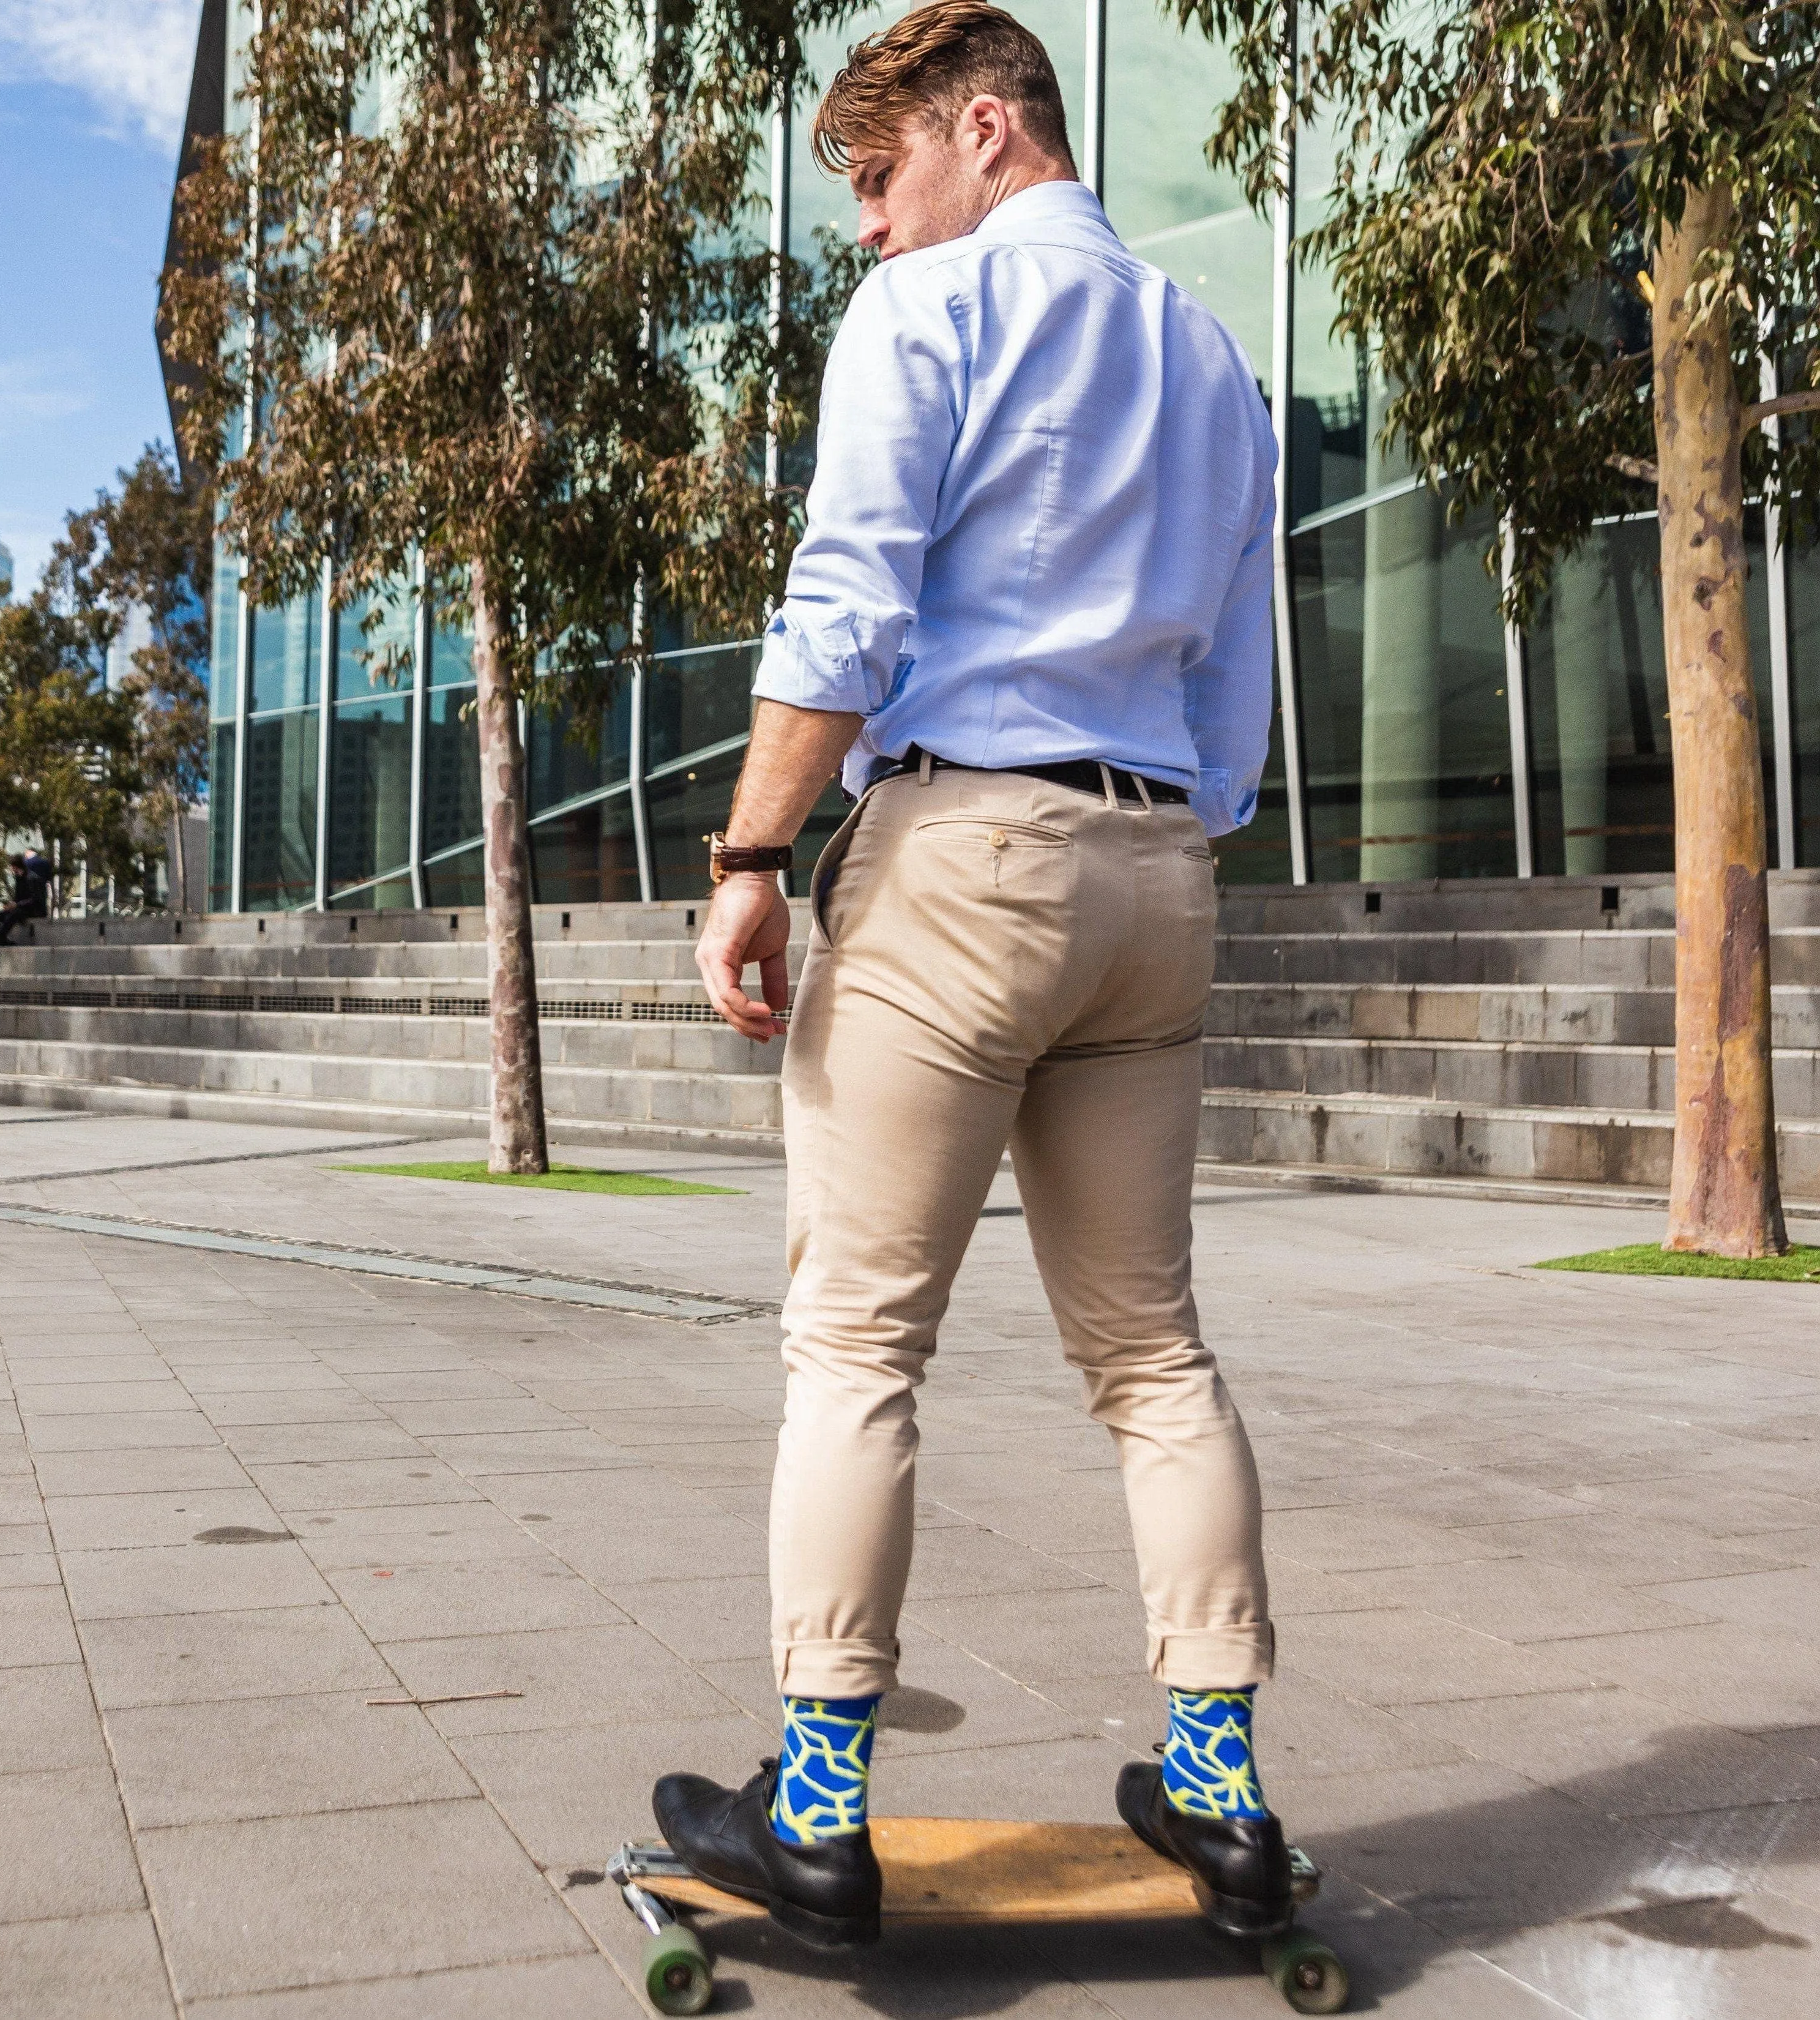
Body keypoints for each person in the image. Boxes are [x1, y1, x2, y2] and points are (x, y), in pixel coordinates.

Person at [649, 1, 1289, 1952]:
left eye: (876, 173)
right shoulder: (1211, 360)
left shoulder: (927, 320)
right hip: (1156, 867)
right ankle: (1216, 1787)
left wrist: (753, 854)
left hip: (964, 856)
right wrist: (1151, 829)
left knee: (855, 1344)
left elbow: (842, 601)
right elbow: (1239, 701)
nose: (862, 223)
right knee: (1149, 1351)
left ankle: (818, 1804)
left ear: (986, 130)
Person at [0, 849, 53, 947]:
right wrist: (11, 905)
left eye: (12, 868)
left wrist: (17, 905)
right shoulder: (20, 879)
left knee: (15, 913)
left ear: (15, 867)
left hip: (35, 910)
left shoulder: (32, 878)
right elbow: (18, 897)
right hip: (22, 908)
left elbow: (36, 899)